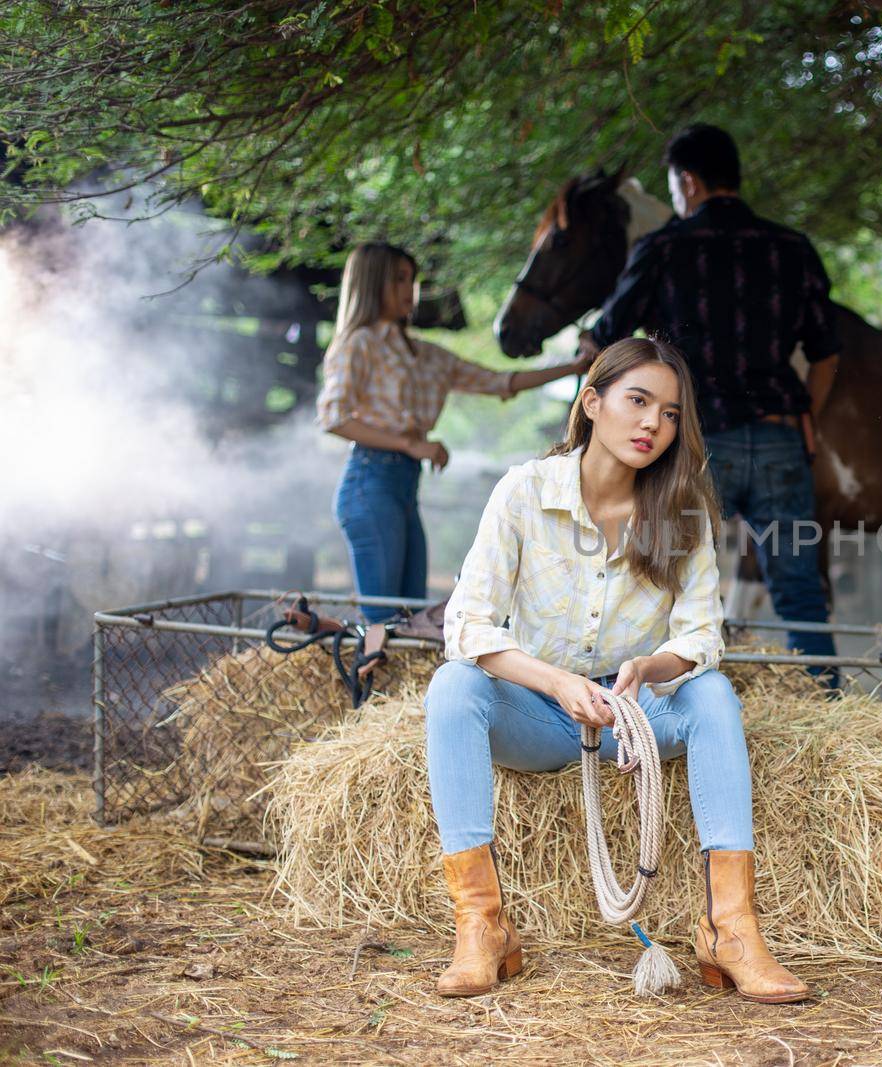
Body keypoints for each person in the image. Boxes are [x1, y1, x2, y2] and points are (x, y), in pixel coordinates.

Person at [423, 336, 809, 1004]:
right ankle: (482, 925)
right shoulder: (524, 492)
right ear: (592, 402)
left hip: (637, 714)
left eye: (669, 413)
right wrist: (556, 681)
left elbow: (702, 636)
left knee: (712, 693)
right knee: (453, 686)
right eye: (637, 401)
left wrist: (651, 664)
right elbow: (466, 624)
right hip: (541, 713)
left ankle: (731, 928)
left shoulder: (683, 509)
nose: (652, 424)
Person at [581, 124, 842, 684]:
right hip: (779, 437)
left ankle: (666, 705)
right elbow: (826, 353)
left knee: (671, 582)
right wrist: (807, 421)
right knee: (799, 589)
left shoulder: (664, 247)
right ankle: (830, 706)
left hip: (696, 445)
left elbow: (609, 337)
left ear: (688, 181)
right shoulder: (791, 248)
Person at [315, 242, 591, 622]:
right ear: (370, 282)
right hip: (370, 482)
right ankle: (364, 679)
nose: (409, 290)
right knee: (384, 621)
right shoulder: (357, 344)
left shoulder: (427, 356)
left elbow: (501, 381)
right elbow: (333, 417)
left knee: (411, 617)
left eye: (412, 280)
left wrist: (575, 367)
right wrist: (413, 445)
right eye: (398, 279)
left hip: (402, 487)